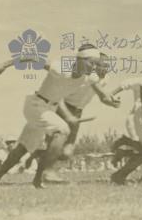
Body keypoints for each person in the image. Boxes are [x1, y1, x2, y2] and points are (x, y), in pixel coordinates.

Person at [0, 44, 103, 189]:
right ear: (79, 60)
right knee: (62, 130)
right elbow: (32, 57)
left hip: (49, 109)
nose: (93, 66)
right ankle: (46, 172)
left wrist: (109, 98)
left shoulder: (90, 77)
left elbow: (100, 90)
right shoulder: (60, 68)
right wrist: (4, 64)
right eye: (90, 62)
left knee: (23, 147)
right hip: (36, 105)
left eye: (96, 63)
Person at [39, 52, 120, 183]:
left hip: (78, 112)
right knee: (57, 143)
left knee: (67, 152)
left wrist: (112, 102)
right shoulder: (88, 76)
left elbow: (102, 97)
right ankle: (48, 172)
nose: (106, 68)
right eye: (102, 65)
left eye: (108, 66)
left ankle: (38, 155)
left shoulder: (105, 79)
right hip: (62, 107)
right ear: (95, 66)